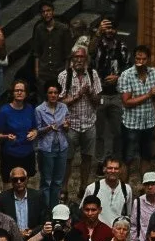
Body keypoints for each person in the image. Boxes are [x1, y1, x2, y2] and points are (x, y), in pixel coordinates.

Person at [59, 45, 102, 202]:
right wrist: (77, 96)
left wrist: (89, 93)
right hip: (71, 124)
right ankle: (64, 189)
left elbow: (98, 100)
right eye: (76, 57)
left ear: (86, 59)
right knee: (67, 159)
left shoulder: (93, 74)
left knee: (87, 157)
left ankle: (84, 187)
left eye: (81, 57)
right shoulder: (64, 76)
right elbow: (60, 102)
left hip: (89, 123)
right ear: (72, 59)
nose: (78, 60)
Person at [119, 45, 155, 181]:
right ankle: (123, 189)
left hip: (149, 122)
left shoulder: (154, 73)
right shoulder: (126, 75)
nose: (140, 62)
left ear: (148, 59)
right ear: (134, 58)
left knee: (146, 157)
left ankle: (145, 188)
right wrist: (149, 94)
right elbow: (126, 102)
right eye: (138, 59)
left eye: (143, 59)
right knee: (127, 158)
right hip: (131, 124)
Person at [91, 16, 129, 163]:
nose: (109, 31)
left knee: (118, 131)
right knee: (99, 132)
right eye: (107, 28)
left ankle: (115, 160)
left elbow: (128, 68)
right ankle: (100, 161)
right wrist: (97, 33)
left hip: (116, 95)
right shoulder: (97, 44)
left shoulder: (122, 47)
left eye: (112, 28)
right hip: (99, 94)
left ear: (116, 30)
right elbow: (89, 52)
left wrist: (118, 77)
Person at [35, 81, 69, 210]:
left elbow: (67, 127)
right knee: (46, 181)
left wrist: (66, 126)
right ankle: (45, 209)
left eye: (55, 92)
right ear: (46, 94)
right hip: (46, 148)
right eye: (50, 92)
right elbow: (37, 130)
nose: (53, 95)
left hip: (62, 146)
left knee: (58, 181)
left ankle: (54, 208)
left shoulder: (63, 107)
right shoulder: (39, 110)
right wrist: (49, 128)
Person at [0, 81, 39, 178]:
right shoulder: (4, 111)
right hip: (10, 154)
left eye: (22, 90)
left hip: (27, 153)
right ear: (12, 93)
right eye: (16, 90)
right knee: (9, 183)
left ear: (26, 93)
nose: (19, 93)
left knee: (24, 182)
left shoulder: (30, 108)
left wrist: (34, 133)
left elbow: (35, 128)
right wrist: (7, 137)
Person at [31, 2, 71, 94]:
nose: (46, 13)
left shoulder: (63, 29)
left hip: (59, 71)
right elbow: (37, 53)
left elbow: (67, 54)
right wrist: (37, 72)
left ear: (53, 12)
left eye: (48, 10)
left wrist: (65, 72)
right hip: (43, 72)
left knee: (59, 97)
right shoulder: (39, 29)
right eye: (43, 12)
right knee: (43, 97)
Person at [0, 164, 48, 240]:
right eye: (15, 179)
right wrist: (15, 233)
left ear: (27, 179)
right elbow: (0, 223)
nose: (19, 182)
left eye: (22, 179)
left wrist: (32, 231)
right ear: (11, 181)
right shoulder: (3, 198)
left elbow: (44, 221)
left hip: (33, 237)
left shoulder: (38, 196)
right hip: (11, 238)